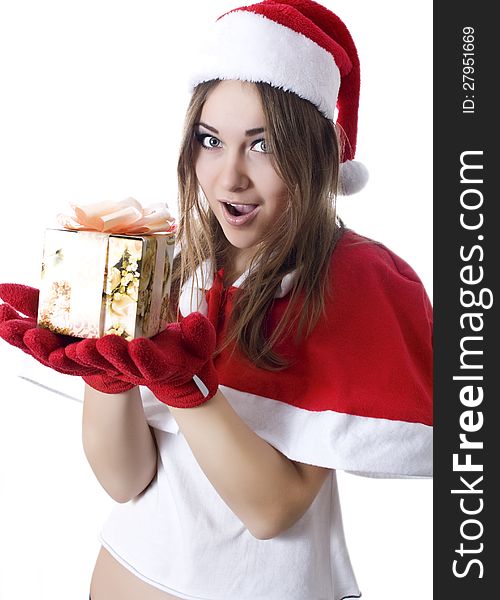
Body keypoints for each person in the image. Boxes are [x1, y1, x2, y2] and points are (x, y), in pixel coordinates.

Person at [0, 1, 432, 599]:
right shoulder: (171, 264)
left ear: (313, 151)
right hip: (124, 571)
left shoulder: (346, 285)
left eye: (261, 145)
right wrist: (106, 373)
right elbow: (127, 481)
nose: (229, 177)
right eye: (211, 140)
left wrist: (188, 388)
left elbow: (272, 511)